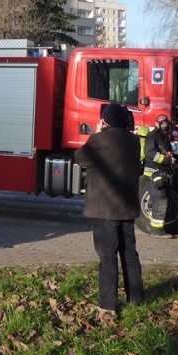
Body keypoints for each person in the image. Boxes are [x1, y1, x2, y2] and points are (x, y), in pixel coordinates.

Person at [74, 102, 144, 324]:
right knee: (130, 255)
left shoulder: (99, 140)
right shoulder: (134, 141)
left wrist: (95, 133)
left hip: (104, 210)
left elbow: (80, 158)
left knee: (107, 256)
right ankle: (136, 299)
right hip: (127, 207)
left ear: (105, 121)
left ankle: (108, 306)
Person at [141, 114, 176, 238]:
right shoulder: (153, 136)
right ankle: (156, 231)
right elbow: (150, 154)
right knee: (160, 200)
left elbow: (166, 153)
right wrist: (167, 161)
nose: (165, 125)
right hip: (154, 174)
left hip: (162, 173)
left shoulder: (164, 137)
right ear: (156, 123)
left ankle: (157, 230)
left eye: (167, 123)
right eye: (163, 123)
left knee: (162, 199)